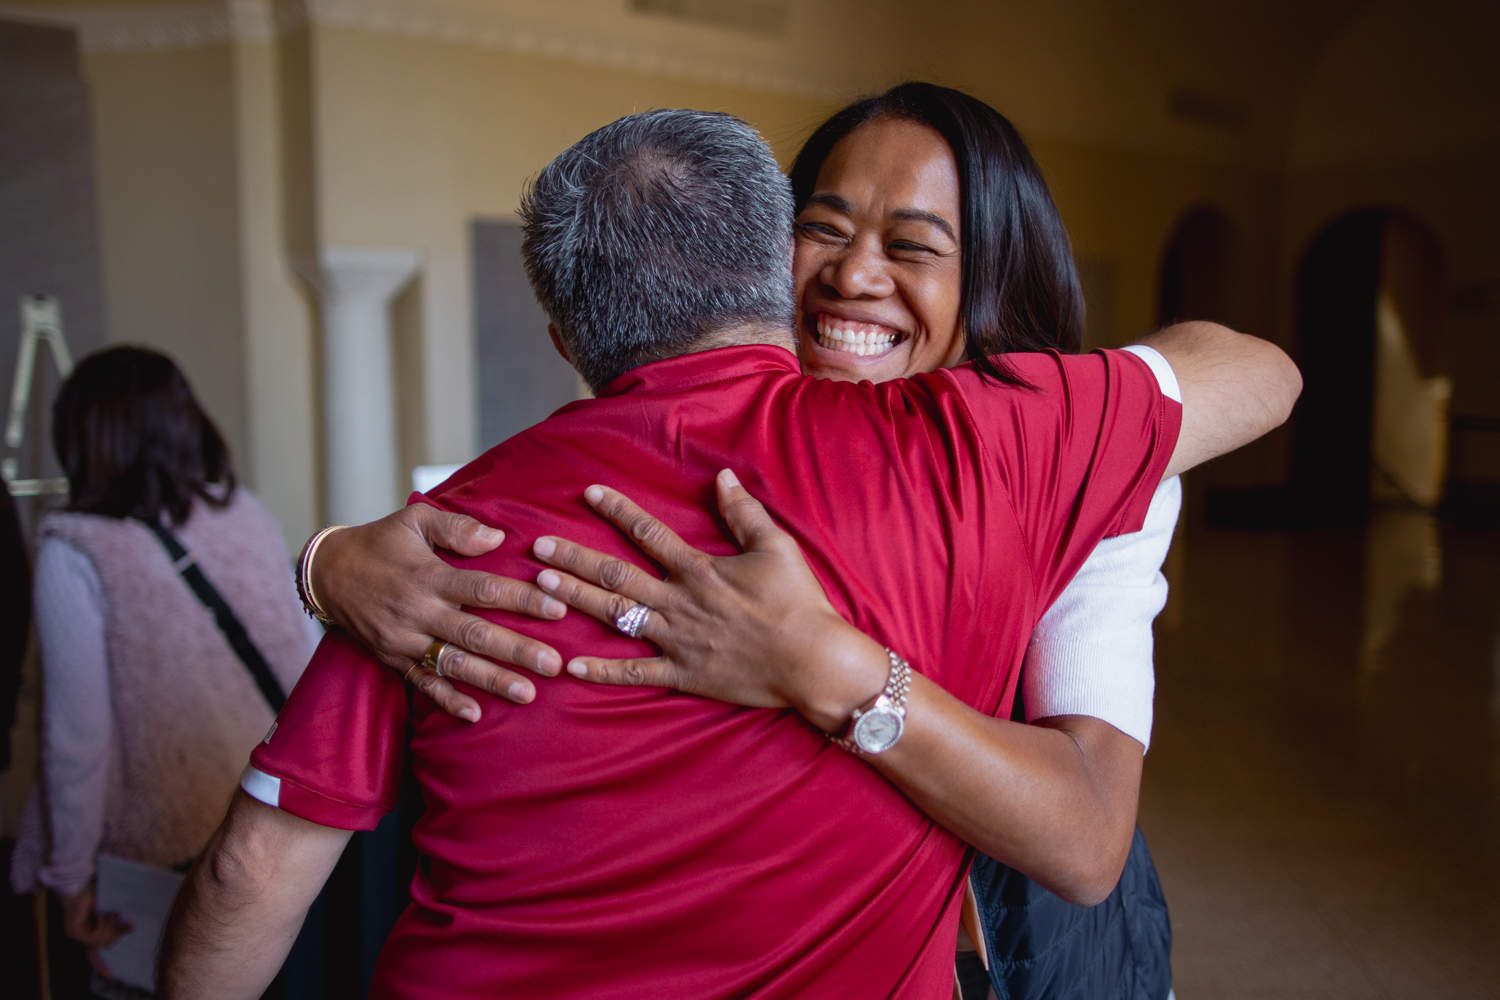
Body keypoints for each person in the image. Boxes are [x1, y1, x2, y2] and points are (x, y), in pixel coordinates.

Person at [160, 108, 1296, 999]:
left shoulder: (454, 531)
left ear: (566, 338)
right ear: (775, 262)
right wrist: (328, 563)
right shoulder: (987, 446)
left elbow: (251, 873)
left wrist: (829, 664)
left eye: (911, 246)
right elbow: (1261, 374)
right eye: (829, 231)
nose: (856, 275)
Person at [8, 346, 319, 994]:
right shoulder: (244, 514)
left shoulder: (75, 549)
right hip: (271, 827)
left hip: (160, 852)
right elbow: (303, 654)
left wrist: (70, 881)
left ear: (81, 434)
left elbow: (76, 741)